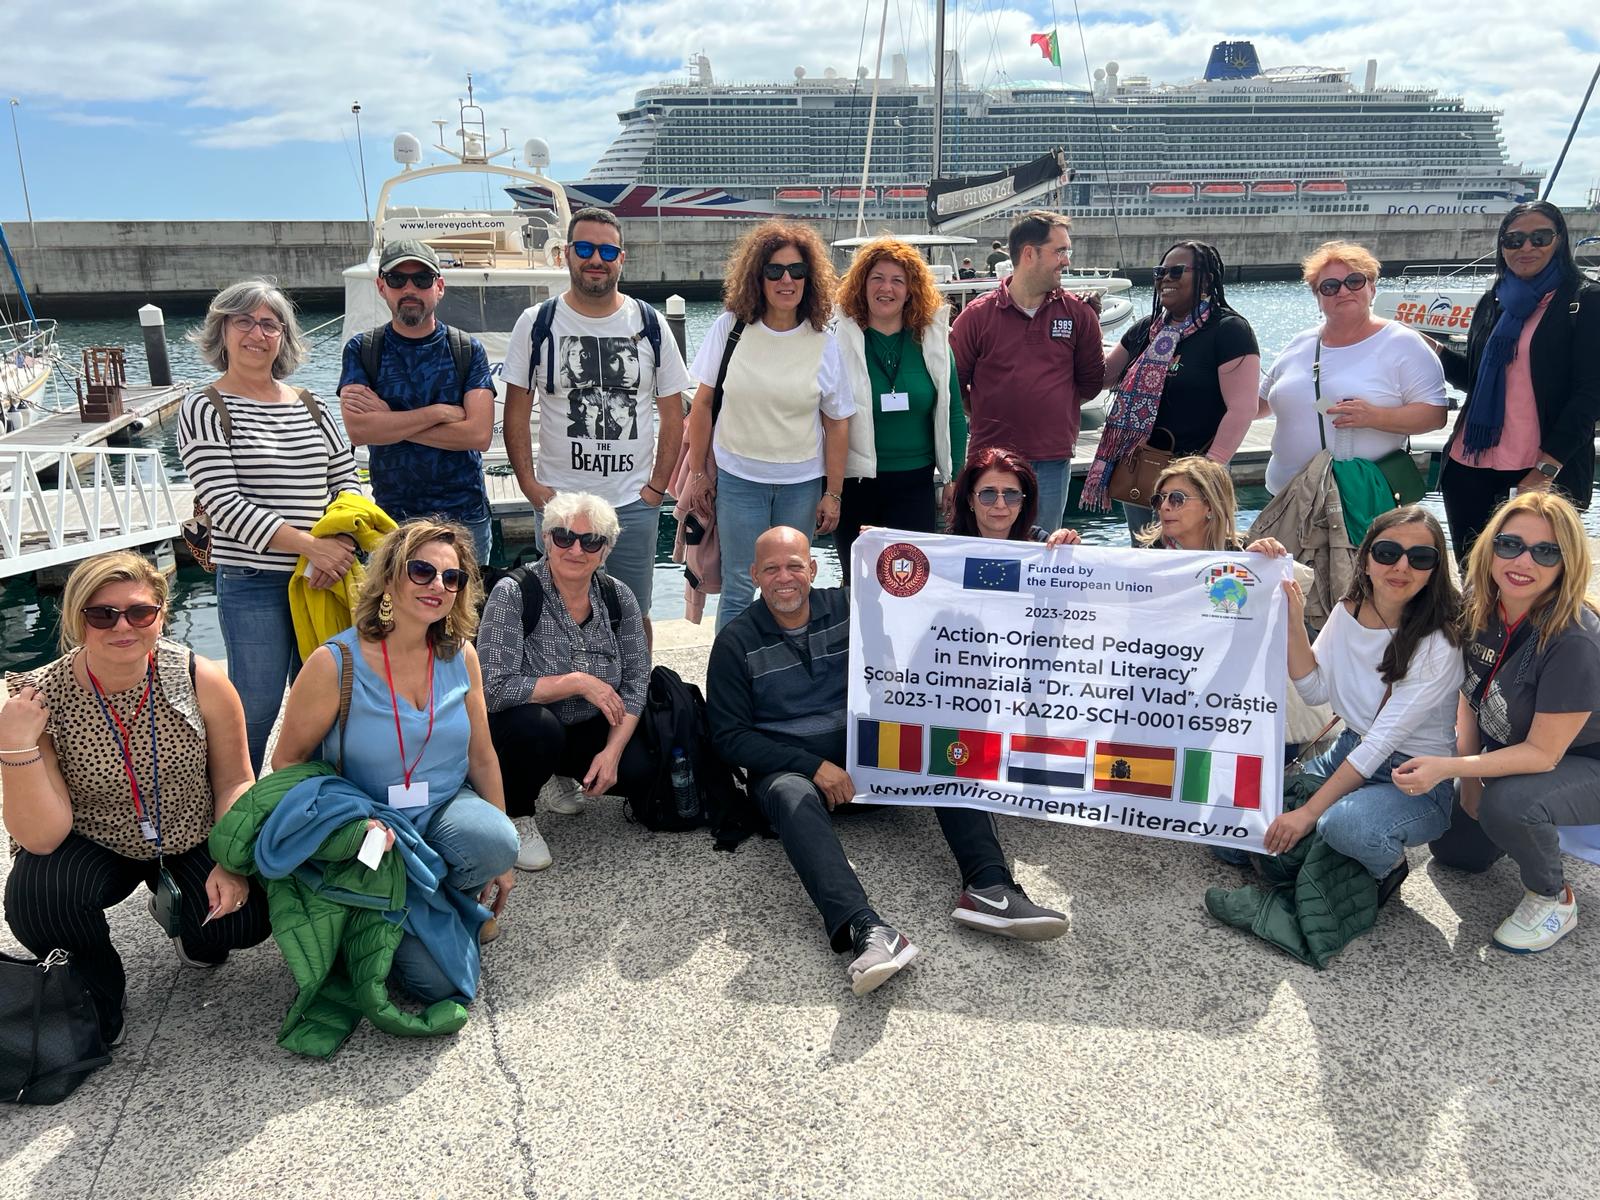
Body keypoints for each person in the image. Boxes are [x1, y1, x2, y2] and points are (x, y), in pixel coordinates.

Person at [707, 526, 1068, 996]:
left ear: (813, 569)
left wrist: (886, 546)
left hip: (868, 764)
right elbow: (730, 737)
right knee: (789, 793)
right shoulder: (735, 642)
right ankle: (868, 931)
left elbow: (918, 594)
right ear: (754, 575)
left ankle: (989, 887)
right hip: (796, 776)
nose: (784, 578)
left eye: (795, 565)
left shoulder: (849, 608)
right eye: (771, 568)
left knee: (945, 750)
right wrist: (812, 766)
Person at [1, 552, 268, 1047]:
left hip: (187, 831)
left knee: (247, 918)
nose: (122, 626)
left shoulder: (197, 678)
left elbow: (235, 780)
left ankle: (188, 925)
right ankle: (96, 982)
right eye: (102, 614)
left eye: (139, 612)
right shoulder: (41, 698)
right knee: (37, 901)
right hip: (93, 838)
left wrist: (231, 862)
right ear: (77, 618)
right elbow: (41, 837)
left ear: (161, 614)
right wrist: (14, 746)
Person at [271, 520, 518, 1000]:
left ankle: (423, 902)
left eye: (453, 578)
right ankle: (396, 906)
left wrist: (501, 861)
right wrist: (347, 824)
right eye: (421, 571)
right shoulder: (334, 663)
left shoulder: (460, 654)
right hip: (370, 830)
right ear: (388, 577)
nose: (437, 586)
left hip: (440, 808)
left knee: (496, 841)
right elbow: (287, 764)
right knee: (437, 986)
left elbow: (481, 755)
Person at [1398, 493, 1600, 953]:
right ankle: (1529, 827)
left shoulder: (1574, 641)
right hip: (1524, 750)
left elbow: (1543, 755)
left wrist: (1451, 768)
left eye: (1545, 551)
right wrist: (1469, 776)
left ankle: (1553, 897)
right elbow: (1471, 694)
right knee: (1456, 853)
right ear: (1490, 546)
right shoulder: (1482, 605)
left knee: (1509, 805)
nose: (1523, 561)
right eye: (1510, 544)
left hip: (1583, 760)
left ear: (1567, 562)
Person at [177, 279, 360, 774]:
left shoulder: (311, 405)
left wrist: (340, 543)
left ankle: (317, 808)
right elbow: (224, 503)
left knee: (327, 709)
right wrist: (310, 547)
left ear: (283, 336)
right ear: (222, 329)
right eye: (244, 321)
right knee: (254, 709)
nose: (256, 334)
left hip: (321, 579)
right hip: (253, 582)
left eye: (269, 324)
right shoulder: (204, 407)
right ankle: (235, 811)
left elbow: (347, 481)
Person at [502, 208, 692, 645]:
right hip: (560, 504)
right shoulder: (537, 323)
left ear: (621, 259)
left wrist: (656, 489)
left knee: (634, 613)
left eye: (607, 251)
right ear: (566, 254)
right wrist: (531, 486)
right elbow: (516, 409)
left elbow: (672, 413)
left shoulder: (649, 323)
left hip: (631, 502)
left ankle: (638, 700)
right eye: (584, 248)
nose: (596, 260)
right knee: (554, 614)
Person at [1261, 508, 1465, 900]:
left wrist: (1308, 814)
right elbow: (1314, 690)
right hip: (1348, 751)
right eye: (1388, 552)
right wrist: (1294, 617)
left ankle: (1384, 868)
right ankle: (1335, 846)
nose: (1402, 566)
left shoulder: (1439, 642)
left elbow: (1381, 744)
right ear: (1367, 558)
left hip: (1412, 777)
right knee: (1250, 831)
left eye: (1420, 557)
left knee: (1345, 827)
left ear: (1435, 569)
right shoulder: (1349, 609)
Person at [680, 221, 853, 631]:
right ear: (758, 277)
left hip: (801, 483)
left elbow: (838, 424)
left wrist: (834, 494)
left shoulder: (823, 340)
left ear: (809, 279)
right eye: (774, 270)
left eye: (796, 270)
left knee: (793, 582)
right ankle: (730, 681)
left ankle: (790, 672)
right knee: (740, 584)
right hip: (740, 479)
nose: (786, 280)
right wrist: (701, 473)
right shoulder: (730, 329)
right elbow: (702, 405)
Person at [477, 492, 652, 872]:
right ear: (546, 539)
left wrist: (612, 752)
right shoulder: (514, 593)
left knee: (638, 768)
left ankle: (561, 774)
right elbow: (492, 689)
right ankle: (517, 814)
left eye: (591, 541)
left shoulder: (618, 596)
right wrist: (576, 681)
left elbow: (637, 681)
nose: (576, 549)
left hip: (585, 721)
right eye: (564, 537)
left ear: (605, 550)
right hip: (523, 724)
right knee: (537, 729)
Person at [1436, 201, 1600, 562]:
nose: (1526, 248)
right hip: (1471, 465)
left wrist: (1545, 469)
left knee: (1539, 580)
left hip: (1539, 469)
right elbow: (1479, 380)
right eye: (1514, 240)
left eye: (1540, 238)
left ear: (1560, 241)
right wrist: (1437, 353)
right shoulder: (1494, 302)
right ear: (1502, 246)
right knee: (1474, 578)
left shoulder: (1586, 301)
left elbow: (1590, 395)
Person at [1083, 242, 1261, 540]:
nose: (1166, 278)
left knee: (1196, 559)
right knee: (1144, 559)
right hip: (1138, 470)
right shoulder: (1146, 329)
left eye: (1177, 271)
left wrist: (1206, 472)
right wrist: (1087, 325)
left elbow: (1242, 409)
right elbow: (1101, 378)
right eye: (1160, 272)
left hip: (1194, 474)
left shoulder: (1229, 330)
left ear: (1205, 278)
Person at [336, 240, 497, 564]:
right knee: (391, 615)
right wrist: (438, 413)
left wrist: (390, 420)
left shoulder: (466, 349)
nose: (410, 288)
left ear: (439, 287)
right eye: (397, 279)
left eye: (422, 279)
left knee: (465, 615)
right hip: (392, 521)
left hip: (464, 520)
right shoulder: (363, 350)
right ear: (381, 286)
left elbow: (478, 435)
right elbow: (360, 431)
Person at [952, 210, 1104, 531]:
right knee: (986, 549)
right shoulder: (977, 316)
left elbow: (1090, 383)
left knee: (1043, 555)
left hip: (1051, 459)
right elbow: (955, 386)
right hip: (990, 462)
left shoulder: (1078, 314)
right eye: (1060, 251)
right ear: (1029, 254)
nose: (1066, 261)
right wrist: (982, 410)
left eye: (1067, 251)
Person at [1261, 241, 1447, 499]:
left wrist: (1375, 417)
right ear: (1318, 298)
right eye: (1329, 287)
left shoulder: (1402, 343)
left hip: (1360, 500)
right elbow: (1259, 405)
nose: (1343, 291)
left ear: (1372, 287)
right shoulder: (1300, 343)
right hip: (1284, 496)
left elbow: (1435, 415)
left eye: (1354, 281)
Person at [834, 237, 968, 573]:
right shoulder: (840, 342)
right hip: (855, 484)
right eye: (877, 278)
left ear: (911, 290)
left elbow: (952, 412)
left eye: (898, 280)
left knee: (911, 582)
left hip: (915, 483)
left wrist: (954, 476)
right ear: (861, 285)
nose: (887, 288)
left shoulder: (933, 343)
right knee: (859, 584)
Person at [948, 446, 1080, 547]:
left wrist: (1068, 550)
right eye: (988, 494)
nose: (1000, 504)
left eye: (1012, 495)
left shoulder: (1041, 543)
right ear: (970, 500)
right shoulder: (943, 548)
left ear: (1023, 501)